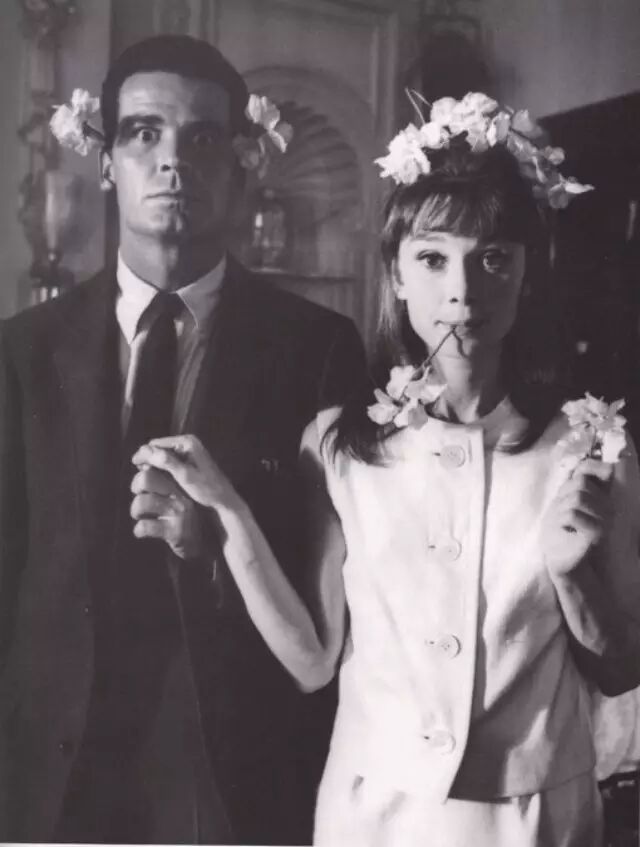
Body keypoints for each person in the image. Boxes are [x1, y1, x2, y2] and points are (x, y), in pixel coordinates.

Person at [134, 93, 640, 846]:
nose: (462, 290)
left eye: (493, 258)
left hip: (535, 820)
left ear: (527, 275)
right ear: (396, 275)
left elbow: (622, 670)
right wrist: (229, 511)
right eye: (432, 258)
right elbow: (312, 661)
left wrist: (573, 576)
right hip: (374, 816)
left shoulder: (591, 446)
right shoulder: (339, 446)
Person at [0, 34, 364, 845]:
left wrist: (220, 549)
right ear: (106, 162)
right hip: (52, 766)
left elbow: (337, 591)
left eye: (201, 138)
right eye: (143, 133)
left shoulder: (317, 347)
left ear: (241, 164)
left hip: (233, 764)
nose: (172, 161)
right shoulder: (22, 351)